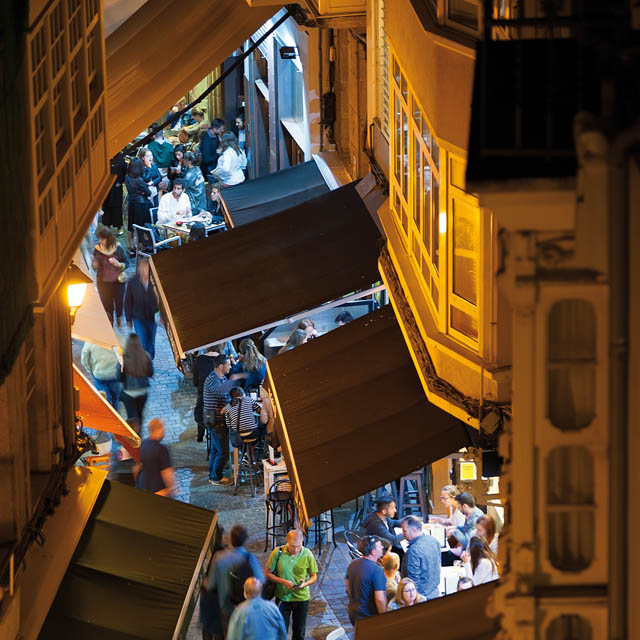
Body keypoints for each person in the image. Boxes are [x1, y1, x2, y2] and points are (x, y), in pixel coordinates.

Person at [204, 524, 265, 633]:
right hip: (246, 608)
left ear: (230, 538)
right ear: (246, 540)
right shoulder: (249, 558)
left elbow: (210, 585)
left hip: (226, 607)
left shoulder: (218, 557)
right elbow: (261, 580)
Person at [265, 530, 318, 640]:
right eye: (292, 546)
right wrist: (282, 581)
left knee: (299, 632)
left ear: (302, 541)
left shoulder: (307, 554)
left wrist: (305, 584)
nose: (295, 550)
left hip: (302, 599)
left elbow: (314, 576)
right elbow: (267, 573)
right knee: (281, 631)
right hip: (283, 598)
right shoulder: (277, 553)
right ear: (286, 541)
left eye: (298, 546)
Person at [202, 355, 245, 485]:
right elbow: (220, 391)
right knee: (223, 452)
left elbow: (226, 394)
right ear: (221, 366)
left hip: (220, 421)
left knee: (216, 450)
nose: (230, 367)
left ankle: (213, 475)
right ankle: (217, 478)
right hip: (216, 422)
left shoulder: (222, 378)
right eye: (228, 364)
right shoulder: (212, 380)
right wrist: (234, 380)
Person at [345, 535, 387, 625]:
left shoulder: (353, 563)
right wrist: (383, 618)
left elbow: (347, 586)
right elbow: (380, 599)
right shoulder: (377, 570)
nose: (382, 547)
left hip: (353, 613)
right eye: (380, 546)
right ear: (373, 552)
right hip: (368, 617)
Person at [92, 225, 129, 326]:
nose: (100, 241)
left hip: (118, 282)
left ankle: (118, 316)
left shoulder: (118, 248)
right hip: (103, 283)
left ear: (108, 239)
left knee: (119, 302)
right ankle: (110, 323)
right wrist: (94, 264)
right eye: (99, 239)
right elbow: (95, 268)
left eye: (102, 239)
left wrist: (119, 264)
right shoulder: (97, 250)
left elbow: (127, 263)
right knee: (106, 305)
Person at [124, 257, 158, 359]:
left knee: (151, 342)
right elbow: (128, 302)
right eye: (142, 268)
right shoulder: (133, 282)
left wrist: (162, 316)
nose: (144, 271)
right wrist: (129, 319)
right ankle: (145, 364)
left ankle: (150, 359)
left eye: (146, 268)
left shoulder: (156, 281)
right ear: (138, 269)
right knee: (142, 342)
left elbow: (162, 300)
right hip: (138, 318)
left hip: (152, 317)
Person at [400, 515, 441, 600]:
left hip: (420, 596)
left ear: (414, 530)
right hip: (435, 591)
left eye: (404, 531)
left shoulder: (414, 551)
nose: (402, 534)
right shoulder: (433, 540)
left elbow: (413, 580)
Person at [120, 333, 153, 434]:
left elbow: (119, 377)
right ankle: (140, 436)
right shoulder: (146, 356)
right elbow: (150, 373)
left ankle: (134, 437)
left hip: (129, 393)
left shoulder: (124, 358)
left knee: (132, 417)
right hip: (143, 392)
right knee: (140, 415)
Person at [135, 418, 175, 496]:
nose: (164, 431)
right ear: (159, 430)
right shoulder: (162, 449)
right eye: (163, 429)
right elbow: (166, 472)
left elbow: (137, 467)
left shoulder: (143, 444)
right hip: (159, 490)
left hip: (143, 487)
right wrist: (171, 488)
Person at [80, 341, 121, 408]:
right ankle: (115, 412)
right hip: (114, 374)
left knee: (104, 401)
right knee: (115, 398)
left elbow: (84, 359)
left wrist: (90, 370)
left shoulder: (90, 341)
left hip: (99, 375)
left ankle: (107, 414)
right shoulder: (115, 338)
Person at [125, 157, 152, 257]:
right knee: (141, 227)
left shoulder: (127, 177)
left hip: (131, 204)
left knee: (131, 227)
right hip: (140, 205)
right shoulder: (139, 180)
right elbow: (149, 193)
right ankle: (142, 248)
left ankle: (132, 248)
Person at [193, 347, 219, 442]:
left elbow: (195, 382)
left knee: (201, 407)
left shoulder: (199, 360)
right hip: (218, 402)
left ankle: (200, 436)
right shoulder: (223, 361)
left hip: (203, 398)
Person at [101, 152, 126, 234]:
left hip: (116, 187)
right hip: (106, 187)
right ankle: (107, 226)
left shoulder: (121, 158)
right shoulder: (104, 157)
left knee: (117, 208)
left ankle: (119, 227)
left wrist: (120, 182)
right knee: (106, 206)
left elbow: (124, 172)